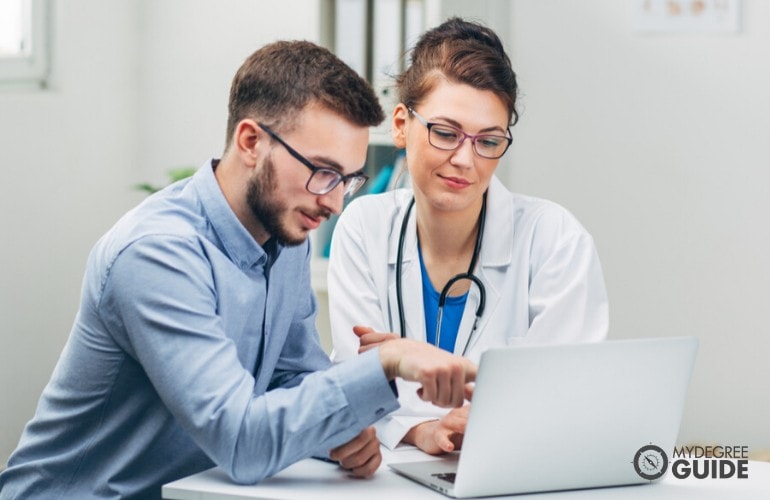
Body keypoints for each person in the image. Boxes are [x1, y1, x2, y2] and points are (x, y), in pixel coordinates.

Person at [0, 41, 477, 499]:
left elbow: (290, 379)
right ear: (250, 141)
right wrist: (385, 362)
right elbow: (241, 442)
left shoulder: (286, 230)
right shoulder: (156, 254)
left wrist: (340, 431)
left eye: (347, 180)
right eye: (322, 171)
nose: (333, 201)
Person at [328, 18, 609, 455]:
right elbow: (354, 382)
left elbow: (563, 393)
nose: (464, 159)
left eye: (488, 141)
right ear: (401, 125)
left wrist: (485, 419)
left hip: (513, 468)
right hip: (388, 478)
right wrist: (422, 431)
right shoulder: (363, 227)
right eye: (445, 133)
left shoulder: (555, 240)